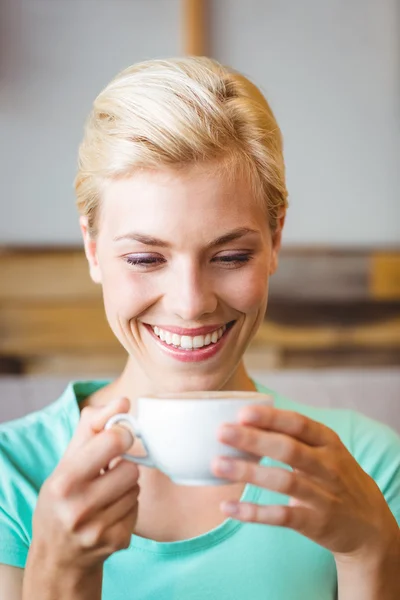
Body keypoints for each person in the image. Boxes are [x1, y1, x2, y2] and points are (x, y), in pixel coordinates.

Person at [0, 57, 399, 600]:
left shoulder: (371, 467)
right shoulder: (12, 478)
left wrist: (371, 551)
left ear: (276, 241)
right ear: (93, 249)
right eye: (145, 258)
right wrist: (58, 575)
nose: (190, 305)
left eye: (230, 256)